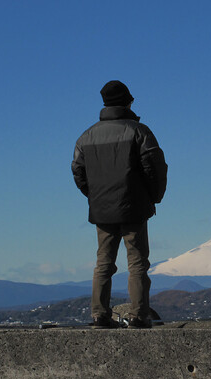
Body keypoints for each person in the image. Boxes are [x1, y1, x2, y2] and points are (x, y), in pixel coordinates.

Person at [72, 80, 168, 329]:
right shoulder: (139, 131)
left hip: (102, 209)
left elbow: (78, 172)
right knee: (137, 262)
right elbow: (155, 167)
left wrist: (94, 196)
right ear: (128, 101)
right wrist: (153, 196)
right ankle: (138, 315)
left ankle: (99, 315)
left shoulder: (86, 136)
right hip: (133, 206)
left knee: (103, 262)